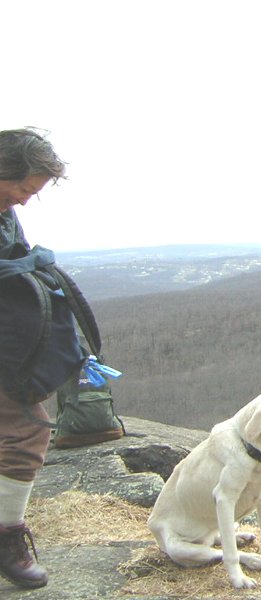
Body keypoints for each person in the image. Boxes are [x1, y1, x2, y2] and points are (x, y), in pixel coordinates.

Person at [0, 127, 67, 589]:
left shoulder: (4, 213)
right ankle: (6, 538)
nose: (25, 200)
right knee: (27, 431)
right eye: (24, 188)